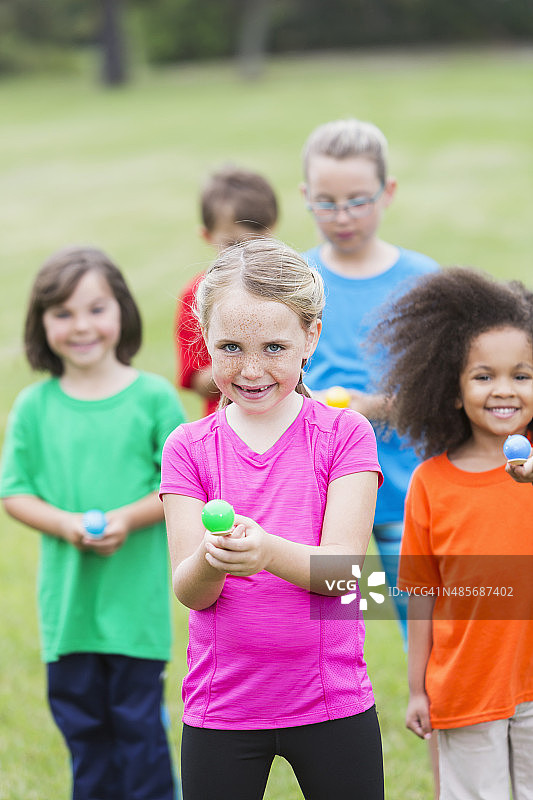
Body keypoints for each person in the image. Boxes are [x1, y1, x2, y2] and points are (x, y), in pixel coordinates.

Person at [161, 238, 385, 800]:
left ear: (310, 336)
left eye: (275, 346)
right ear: (205, 342)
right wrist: (213, 562)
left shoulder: (344, 436)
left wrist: (265, 553)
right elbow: (191, 592)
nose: (252, 368)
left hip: (330, 700)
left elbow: (340, 575)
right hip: (223, 706)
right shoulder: (189, 447)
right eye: (231, 347)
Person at [0, 245, 186, 800]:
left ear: (122, 312)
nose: (81, 326)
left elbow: (181, 486)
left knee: (139, 733)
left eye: (95, 308)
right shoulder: (35, 406)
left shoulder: (153, 397)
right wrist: (67, 525)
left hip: (135, 613)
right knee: (85, 736)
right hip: (68, 613)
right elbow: (14, 492)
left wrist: (126, 518)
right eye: (62, 313)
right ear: (41, 324)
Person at [370, 267, 533, 800]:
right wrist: (417, 689)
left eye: (522, 375)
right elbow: (420, 592)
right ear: (452, 389)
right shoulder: (430, 483)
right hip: (465, 687)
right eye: (483, 376)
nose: (504, 390)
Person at [300, 117, 439, 644]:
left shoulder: (422, 281)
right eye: (326, 202)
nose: (342, 217)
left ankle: (439, 720)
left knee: (425, 621)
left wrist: (371, 406)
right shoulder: (297, 279)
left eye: (358, 200)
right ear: (305, 197)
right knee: (322, 625)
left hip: (407, 487)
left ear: (388, 192)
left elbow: (448, 396)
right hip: (320, 493)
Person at [175, 165, 279, 416]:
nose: (246, 253)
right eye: (232, 244)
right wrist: (239, 358)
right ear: (207, 236)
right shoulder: (196, 297)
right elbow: (198, 382)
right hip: (225, 426)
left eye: (257, 241)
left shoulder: (284, 288)